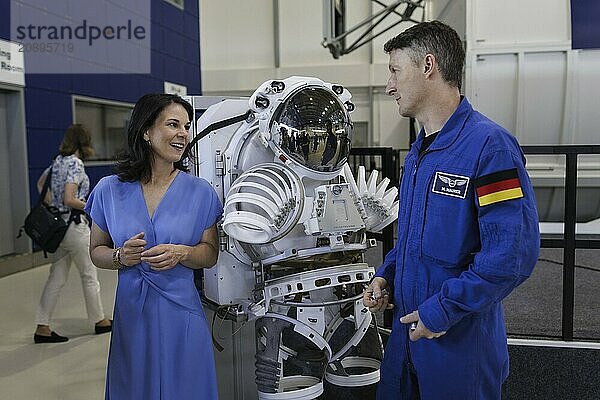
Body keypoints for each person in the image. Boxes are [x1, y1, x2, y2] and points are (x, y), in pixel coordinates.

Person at [362, 21, 540, 400]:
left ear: (428, 66)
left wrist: (441, 312)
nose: (389, 86)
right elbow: (412, 239)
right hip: (407, 338)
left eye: (395, 71)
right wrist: (386, 276)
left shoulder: (489, 148)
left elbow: (512, 256)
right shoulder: (418, 153)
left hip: (457, 343)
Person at [85, 93, 222, 400]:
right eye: (173, 124)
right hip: (133, 318)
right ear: (146, 131)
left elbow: (210, 254)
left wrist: (183, 253)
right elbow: (96, 252)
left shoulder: (200, 192)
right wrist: (121, 256)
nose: (183, 134)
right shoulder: (109, 189)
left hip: (182, 317)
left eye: (186, 126)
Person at [33, 124, 112, 343]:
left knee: (56, 277)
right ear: (83, 141)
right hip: (75, 228)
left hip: (59, 231)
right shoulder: (76, 163)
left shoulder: (57, 161)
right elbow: (70, 199)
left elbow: (41, 185)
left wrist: (55, 207)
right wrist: (90, 206)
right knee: (89, 275)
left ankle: (42, 326)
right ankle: (100, 321)